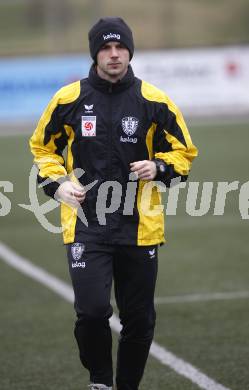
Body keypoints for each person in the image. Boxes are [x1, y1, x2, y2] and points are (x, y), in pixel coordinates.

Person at [30, 17, 198, 390]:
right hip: (86, 225)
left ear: (129, 51)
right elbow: (43, 147)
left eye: (120, 47)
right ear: (95, 54)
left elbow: (184, 153)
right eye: (105, 48)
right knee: (91, 312)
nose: (114, 54)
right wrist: (56, 183)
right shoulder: (68, 99)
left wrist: (158, 166)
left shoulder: (154, 101)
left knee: (138, 321)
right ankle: (101, 382)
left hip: (140, 226)